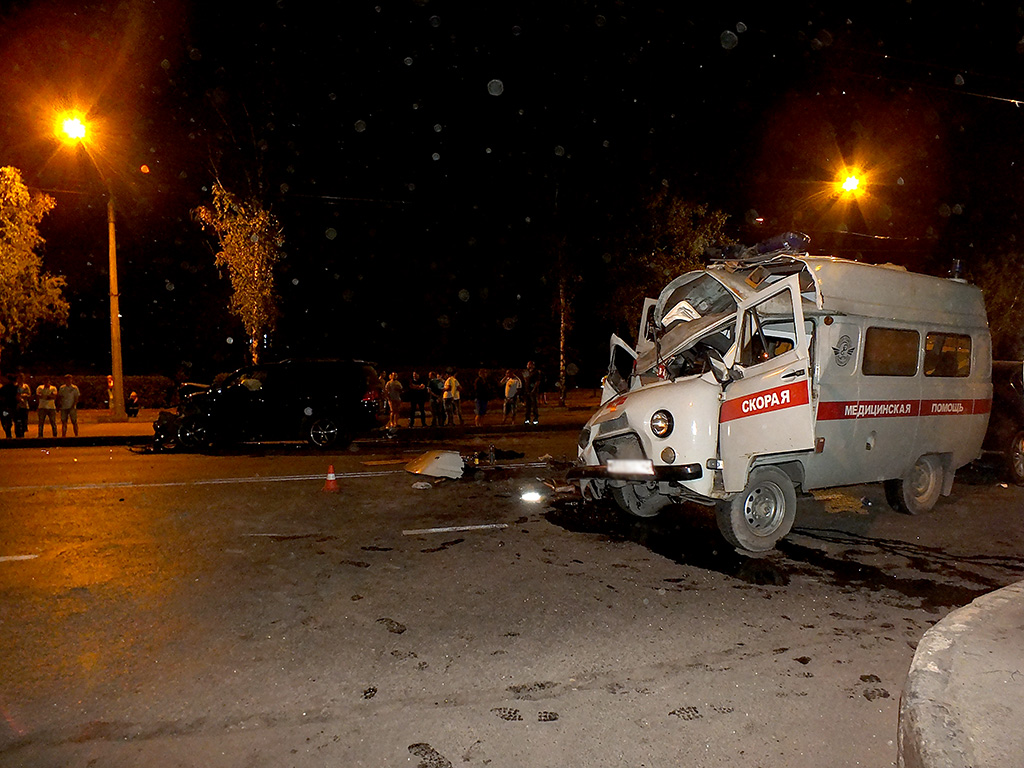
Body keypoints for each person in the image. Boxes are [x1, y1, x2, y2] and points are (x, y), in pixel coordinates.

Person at [522, 360, 542, 425]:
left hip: (533, 391)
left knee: (534, 405)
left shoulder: (536, 372)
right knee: (528, 406)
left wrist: (534, 389)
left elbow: (537, 382)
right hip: (527, 391)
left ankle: (535, 419)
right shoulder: (527, 372)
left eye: (529, 364)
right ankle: (527, 419)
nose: (528, 366)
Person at [14, 373, 30, 438]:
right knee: (17, 421)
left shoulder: (25, 386)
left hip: (24, 406)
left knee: (24, 421)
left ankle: (22, 434)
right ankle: (17, 435)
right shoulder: (15, 386)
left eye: (21, 378)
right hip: (16, 406)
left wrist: (23, 396)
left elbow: (29, 394)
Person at [0, 373, 16, 438]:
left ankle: (8, 434)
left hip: (5, 408)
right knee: (11, 421)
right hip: (12, 407)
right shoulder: (15, 388)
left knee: (5, 421)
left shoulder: (4, 388)